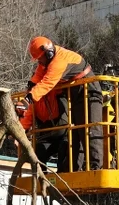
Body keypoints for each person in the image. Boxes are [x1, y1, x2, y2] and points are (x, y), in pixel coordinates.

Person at [16, 36, 103, 172]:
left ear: (48, 53)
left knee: (90, 129)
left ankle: (97, 167)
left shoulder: (59, 61)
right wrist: (29, 91)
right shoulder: (46, 62)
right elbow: (37, 79)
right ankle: (74, 170)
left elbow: (47, 83)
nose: (39, 62)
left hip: (88, 90)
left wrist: (28, 99)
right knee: (75, 133)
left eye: (40, 58)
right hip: (75, 93)